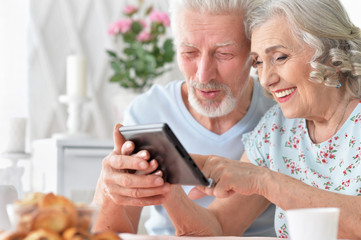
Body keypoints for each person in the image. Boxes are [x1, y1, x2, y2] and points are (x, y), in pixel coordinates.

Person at [155, 0, 361, 239]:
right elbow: (219, 226)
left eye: (280, 57)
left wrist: (265, 181)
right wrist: (167, 188)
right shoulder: (276, 128)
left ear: (329, 51)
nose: (265, 80)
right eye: (259, 63)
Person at [92, 0, 276, 236]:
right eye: (189, 52)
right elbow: (112, 232)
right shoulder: (148, 112)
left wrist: (167, 186)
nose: (203, 74)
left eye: (224, 54)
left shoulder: (279, 114)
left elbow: (217, 228)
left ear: (254, 54)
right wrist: (109, 190)